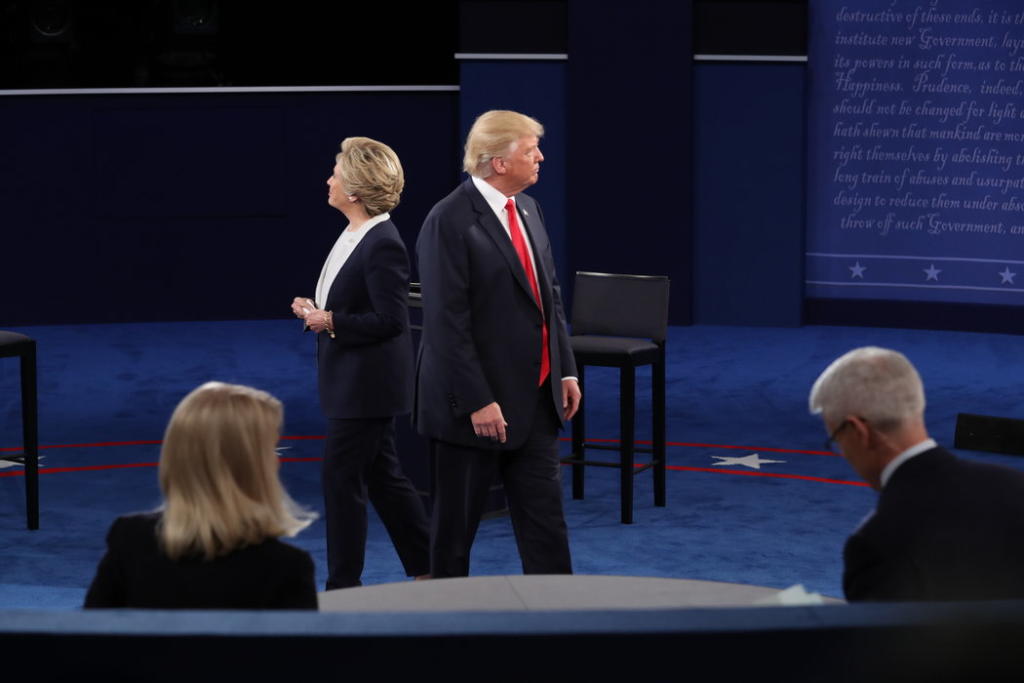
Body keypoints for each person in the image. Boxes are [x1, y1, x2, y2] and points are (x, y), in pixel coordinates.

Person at [415, 109, 580, 578]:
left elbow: (549, 297)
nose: (541, 157)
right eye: (530, 150)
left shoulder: (528, 208)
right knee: (455, 532)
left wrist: (565, 369)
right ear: (499, 161)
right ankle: (445, 628)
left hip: (537, 398)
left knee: (546, 526)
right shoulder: (448, 220)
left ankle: (558, 623)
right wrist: (477, 400)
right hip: (476, 410)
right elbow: (446, 323)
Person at [290, 136, 429, 589]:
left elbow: (391, 320)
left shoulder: (382, 242)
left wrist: (328, 319)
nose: (328, 180)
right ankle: (431, 566)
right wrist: (317, 310)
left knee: (341, 481)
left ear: (353, 192)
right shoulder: (356, 233)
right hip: (353, 379)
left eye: (335, 173)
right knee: (384, 478)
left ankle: (343, 586)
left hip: (367, 387)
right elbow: (355, 302)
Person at [809, 346, 1024, 602]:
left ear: (859, 432)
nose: (841, 452)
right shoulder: (1015, 486)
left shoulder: (876, 543)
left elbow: (877, 642)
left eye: (836, 440)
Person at [84, 381, 318, 609]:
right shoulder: (286, 568)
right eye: (270, 449)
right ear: (248, 465)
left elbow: (86, 640)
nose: (276, 461)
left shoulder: (130, 540)